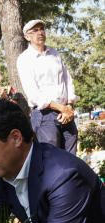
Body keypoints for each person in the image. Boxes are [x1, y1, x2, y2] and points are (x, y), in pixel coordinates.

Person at [17, 19, 78, 154]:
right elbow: (34, 94)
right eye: (35, 30)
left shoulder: (54, 53)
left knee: (72, 159)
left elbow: (67, 79)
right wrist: (62, 108)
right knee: (52, 161)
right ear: (27, 37)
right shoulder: (24, 59)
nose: (40, 33)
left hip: (66, 112)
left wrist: (69, 105)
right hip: (45, 116)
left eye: (42, 29)